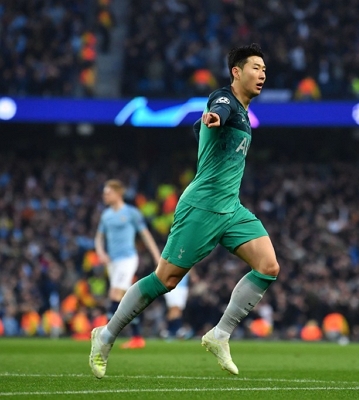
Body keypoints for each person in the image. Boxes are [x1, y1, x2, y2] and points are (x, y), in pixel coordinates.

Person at [90, 43, 279, 378]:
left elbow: (201, 131)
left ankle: (219, 335)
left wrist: (206, 127)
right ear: (236, 72)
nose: (262, 74)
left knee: (268, 266)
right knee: (166, 279)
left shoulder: (244, 113)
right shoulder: (225, 100)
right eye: (255, 67)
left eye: (264, 69)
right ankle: (105, 336)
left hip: (231, 208)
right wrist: (214, 117)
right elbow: (217, 110)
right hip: (202, 207)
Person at [95, 179, 161, 349]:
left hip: (128, 259)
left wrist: (157, 257)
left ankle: (106, 336)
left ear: (118, 193)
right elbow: (99, 238)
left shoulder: (132, 212)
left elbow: (145, 235)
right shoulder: (106, 215)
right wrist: (101, 253)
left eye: (108, 193)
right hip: (112, 262)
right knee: (126, 299)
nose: (104, 195)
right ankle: (137, 337)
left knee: (115, 294)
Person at [161, 273, 191, 340]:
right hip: (173, 284)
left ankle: (177, 329)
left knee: (179, 309)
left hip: (183, 286)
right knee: (173, 308)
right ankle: (168, 329)